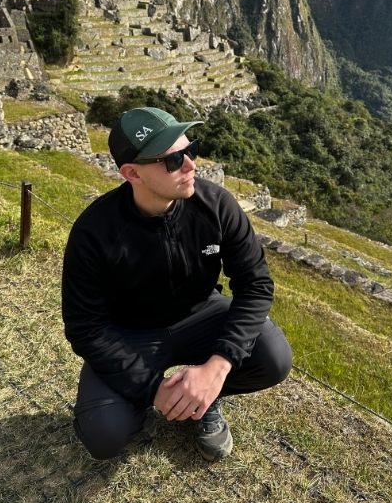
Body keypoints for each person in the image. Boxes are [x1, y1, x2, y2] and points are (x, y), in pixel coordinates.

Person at [63, 108, 292, 462]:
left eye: (191, 150)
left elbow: (255, 284)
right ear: (132, 173)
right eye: (172, 160)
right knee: (104, 434)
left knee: (274, 357)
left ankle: (203, 397)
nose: (190, 165)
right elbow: (86, 327)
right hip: (131, 333)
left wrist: (217, 368)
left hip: (202, 314)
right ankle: (161, 405)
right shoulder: (94, 232)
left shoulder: (216, 205)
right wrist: (153, 390)